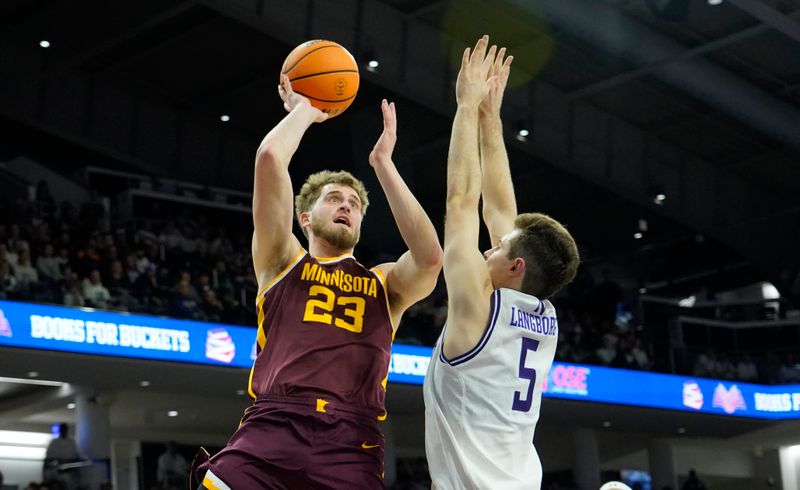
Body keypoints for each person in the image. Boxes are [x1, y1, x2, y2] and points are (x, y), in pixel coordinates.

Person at [194, 74, 442, 489]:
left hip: (351, 440)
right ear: (305, 218)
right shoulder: (281, 260)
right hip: (272, 425)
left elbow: (430, 258)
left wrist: (384, 164)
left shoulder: (384, 284)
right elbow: (271, 157)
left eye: (354, 204)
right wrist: (307, 111)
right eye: (334, 198)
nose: (346, 205)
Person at [423, 35, 579, 490]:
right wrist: (492, 118)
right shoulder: (541, 313)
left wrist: (467, 107)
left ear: (516, 268)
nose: (488, 249)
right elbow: (500, 214)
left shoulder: (478, 310)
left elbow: (461, 201)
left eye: (496, 249)